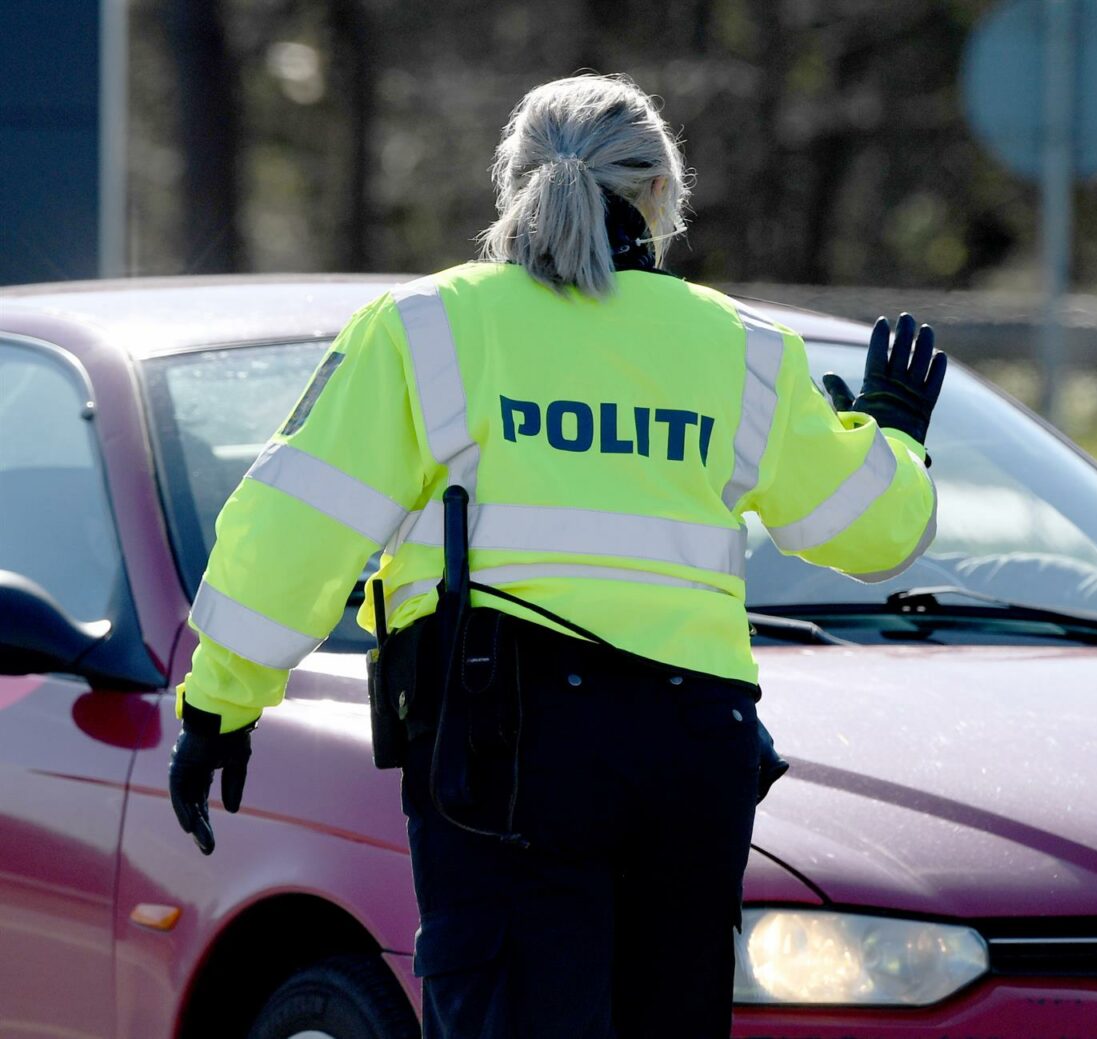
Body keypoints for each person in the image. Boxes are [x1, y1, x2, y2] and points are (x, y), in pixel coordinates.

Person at [167, 72, 945, 1038]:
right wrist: (896, 433)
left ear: (514, 184)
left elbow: (297, 526)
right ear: (660, 193)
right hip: (690, 757)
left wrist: (219, 704)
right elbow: (874, 533)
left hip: (504, 750)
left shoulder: (429, 327)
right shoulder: (743, 348)